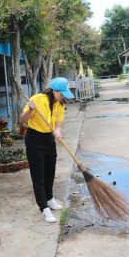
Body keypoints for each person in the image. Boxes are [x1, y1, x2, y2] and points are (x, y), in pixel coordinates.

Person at [20, 77, 75, 223]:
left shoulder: (60, 105)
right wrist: (30, 110)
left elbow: (58, 124)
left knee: (50, 171)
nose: (63, 97)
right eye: (61, 94)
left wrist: (58, 131)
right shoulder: (37, 99)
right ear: (54, 91)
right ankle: (44, 208)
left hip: (49, 139)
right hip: (34, 139)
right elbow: (22, 120)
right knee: (38, 175)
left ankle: (49, 198)